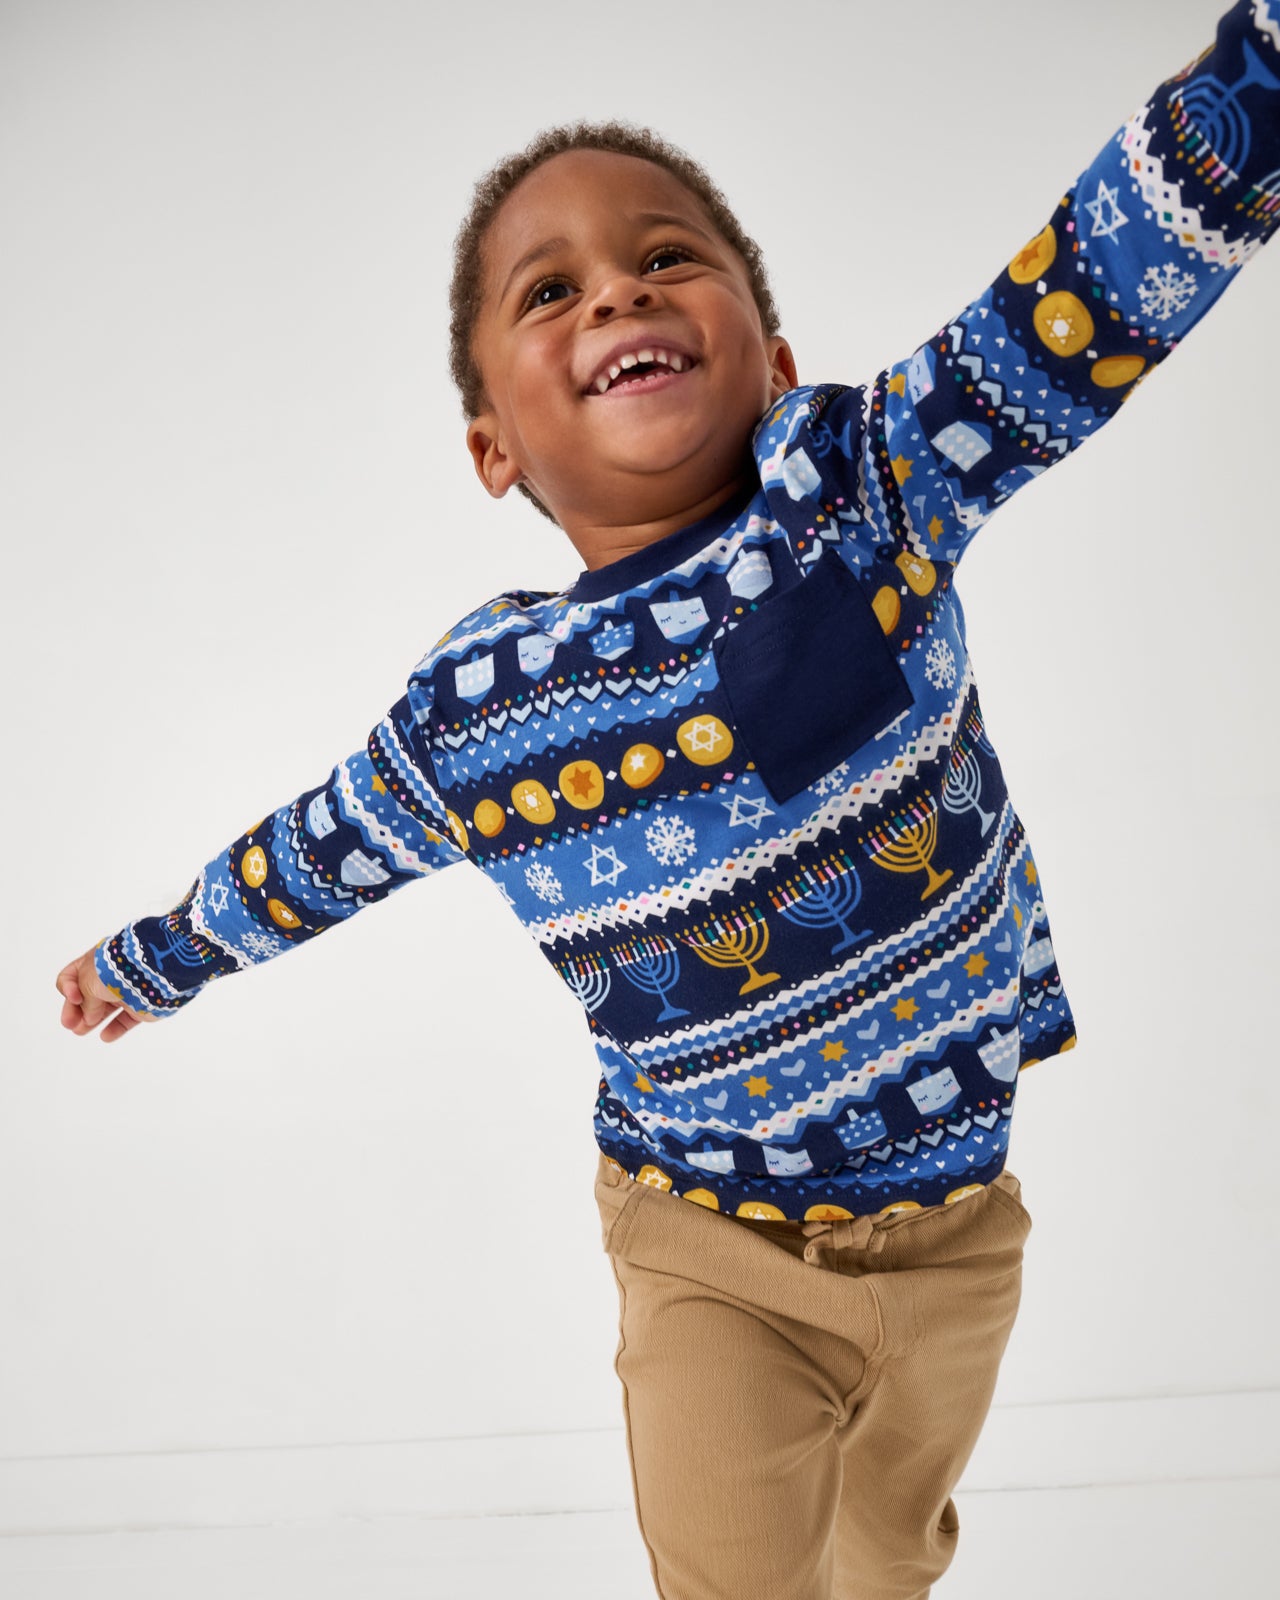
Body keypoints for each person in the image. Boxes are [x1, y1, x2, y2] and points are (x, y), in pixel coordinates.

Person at [54, 4, 1280, 1596]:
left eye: (667, 258)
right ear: (496, 446)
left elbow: (1077, 301)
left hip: (961, 1228)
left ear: (773, 360)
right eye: (549, 291)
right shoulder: (474, 717)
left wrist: (1251, 85)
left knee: (886, 1562)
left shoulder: (867, 489)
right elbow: (319, 850)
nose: (619, 287)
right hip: (708, 1249)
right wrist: (161, 955)